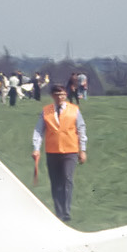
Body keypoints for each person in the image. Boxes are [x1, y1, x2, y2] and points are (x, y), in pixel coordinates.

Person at [32, 83, 87, 222]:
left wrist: (83, 150)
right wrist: (36, 148)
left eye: (62, 94)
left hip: (70, 151)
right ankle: (59, 212)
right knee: (56, 183)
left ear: (66, 95)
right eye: (57, 95)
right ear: (52, 96)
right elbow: (39, 130)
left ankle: (66, 211)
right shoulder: (46, 111)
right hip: (52, 151)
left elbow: (81, 130)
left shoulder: (74, 110)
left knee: (67, 180)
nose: (60, 97)